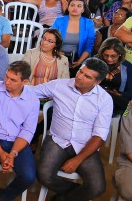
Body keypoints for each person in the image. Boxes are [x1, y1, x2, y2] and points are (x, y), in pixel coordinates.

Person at [28, 58, 112, 200]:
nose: (79, 77)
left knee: (98, 187)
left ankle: (60, 199)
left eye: (87, 76)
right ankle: (71, 195)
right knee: (43, 174)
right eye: (80, 71)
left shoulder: (104, 100)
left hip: (85, 145)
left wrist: (77, 160)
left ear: (97, 82)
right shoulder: (59, 86)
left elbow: (99, 137)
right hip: (57, 140)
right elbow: (31, 92)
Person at [0, 61, 39, 201]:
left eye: (13, 80)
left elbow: (28, 131)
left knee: (29, 176)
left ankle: (3, 197)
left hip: (17, 142)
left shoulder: (33, 100)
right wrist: (1, 153)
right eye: (6, 77)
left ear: (25, 82)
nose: (7, 82)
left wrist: (12, 154)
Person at [52, 0, 96, 72]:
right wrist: (56, 53)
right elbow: (51, 39)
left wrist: (80, 61)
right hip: (57, 55)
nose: (75, 8)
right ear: (68, 8)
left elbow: (89, 45)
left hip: (78, 57)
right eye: (72, 5)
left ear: (83, 10)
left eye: (79, 6)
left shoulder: (88, 23)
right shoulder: (59, 20)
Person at [96, 38, 132, 117]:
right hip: (95, 98)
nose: (109, 59)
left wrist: (119, 95)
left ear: (120, 54)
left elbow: (130, 91)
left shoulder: (127, 66)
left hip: (116, 103)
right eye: (106, 55)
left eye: (113, 56)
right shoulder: (93, 62)